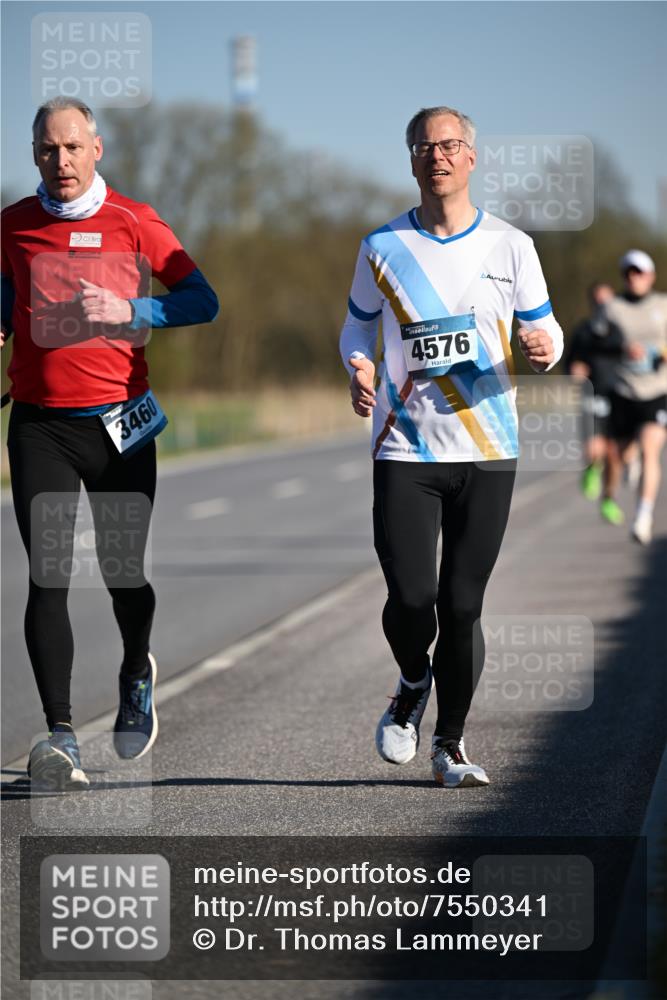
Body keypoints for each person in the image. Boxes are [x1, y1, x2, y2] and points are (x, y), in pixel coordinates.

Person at [339, 106, 563, 788]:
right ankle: (411, 681)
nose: (435, 156)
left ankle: (450, 743)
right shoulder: (381, 246)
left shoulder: (511, 245)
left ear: (471, 157)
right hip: (405, 449)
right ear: (410, 160)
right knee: (411, 598)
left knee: (461, 606)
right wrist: (359, 366)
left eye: (448, 145)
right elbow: (354, 330)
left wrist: (544, 350)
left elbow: (547, 335)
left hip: (487, 449)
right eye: (422, 147)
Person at [1, 97, 219, 790]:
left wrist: (132, 309)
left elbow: (201, 300)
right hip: (40, 426)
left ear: (96, 148)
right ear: (34, 153)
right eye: (45, 150)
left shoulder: (134, 220)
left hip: (120, 427)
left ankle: (135, 668)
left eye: (70, 148)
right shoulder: (13, 224)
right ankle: (59, 736)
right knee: (48, 576)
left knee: (123, 572)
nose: (58, 162)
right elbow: (5, 293)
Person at [603, 250, 667, 544]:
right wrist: (621, 350)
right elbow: (597, 344)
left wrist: (659, 353)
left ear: (651, 276)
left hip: (657, 391)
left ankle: (643, 516)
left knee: (651, 447)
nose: (634, 278)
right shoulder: (612, 308)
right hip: (624, 391)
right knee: (621, 454)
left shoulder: (663, 306)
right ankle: (632, 460)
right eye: (629, 272)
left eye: (639, 272)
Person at [565, 282, 629, 521]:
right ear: (592, 303)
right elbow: (569, 362)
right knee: (595, 449)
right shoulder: (583, 331)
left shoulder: (622, 330)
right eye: (598, 301)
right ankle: (592, 466)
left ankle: (609, 500)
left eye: (607, 301)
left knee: (615, 454)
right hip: (592, 393)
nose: (602, 306)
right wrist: (574, 370)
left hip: (621, 395)